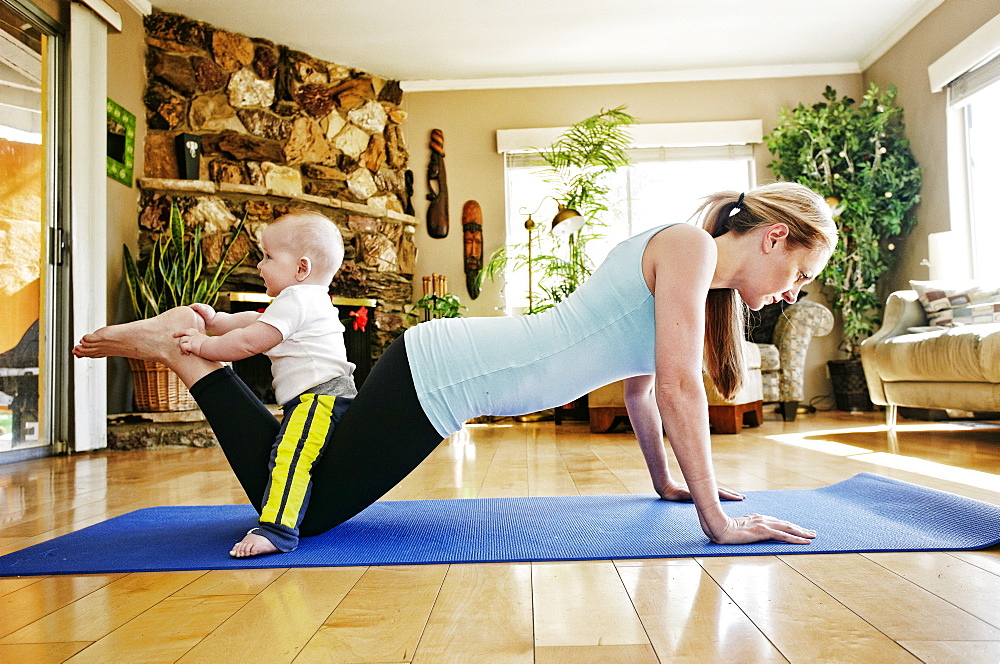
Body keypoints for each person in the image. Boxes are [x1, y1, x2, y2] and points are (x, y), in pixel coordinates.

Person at [74, 182, 836, 549]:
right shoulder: (690, 246)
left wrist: (668, 484)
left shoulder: (695, 275)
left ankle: (191, 351)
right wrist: (716, 520)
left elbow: (641, 390)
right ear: (774, 238)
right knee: (312, 506)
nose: (792, 292)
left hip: (441, 369)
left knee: (299, 480)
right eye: (801, 274)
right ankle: (188, 353)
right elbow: (675, 387)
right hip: (443, 375)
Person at [176, 210, 356, 558]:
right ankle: (283, 521)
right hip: (322, 398)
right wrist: (218, 321)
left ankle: (278, 530)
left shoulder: (298, 299)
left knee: (289, 457)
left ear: (301, 269)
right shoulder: (308, 299)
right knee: (294, 454)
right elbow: (256, 320)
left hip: (320, 399)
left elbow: (250, 341)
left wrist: (203, 345)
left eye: (269, 257)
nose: (260, 265)